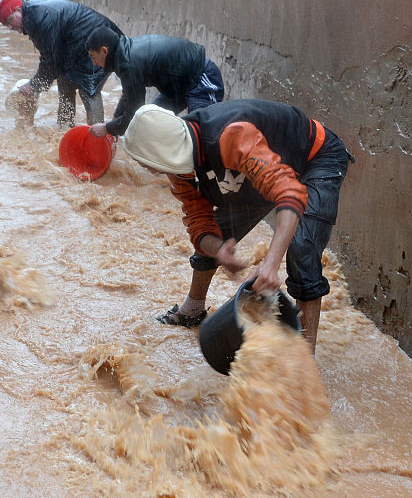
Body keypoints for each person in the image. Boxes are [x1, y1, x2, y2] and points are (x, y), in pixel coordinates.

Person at [121, 102, 352, 352]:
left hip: (315, 157)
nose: (146, 168)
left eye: (145, 162)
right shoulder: (180, 167)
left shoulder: (233, 136)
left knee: (302, 248)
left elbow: (289, 193)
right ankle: (192, 310)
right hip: (267, 172)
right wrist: (219, 249)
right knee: (216, 233)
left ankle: (305, 362)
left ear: (161, 151)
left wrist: (270, 265)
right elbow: (200, 224)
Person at [0, 0, 123, 127]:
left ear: (18, 9)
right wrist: (36, 84)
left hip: (100, 41)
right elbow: (53, 59)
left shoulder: (39, 18)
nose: (11, 27)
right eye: (7, 25)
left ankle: (98, 135)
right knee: (64, 82)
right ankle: (65, 129)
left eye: (10, 20)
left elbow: (50, 60)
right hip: (76, 46)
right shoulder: (31, 17)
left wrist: (33, 86)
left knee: (89, 89)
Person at [84, 27, 225, 138]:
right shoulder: (123, 55)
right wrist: (115, 119)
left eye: (93, 57)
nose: (94, 63)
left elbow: (134, 113)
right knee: (148, 124)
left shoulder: (128, 64)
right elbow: (129, 94)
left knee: (198, 136)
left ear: (104, 50)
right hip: (178, 86)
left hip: (201, 78)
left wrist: (108, 128)